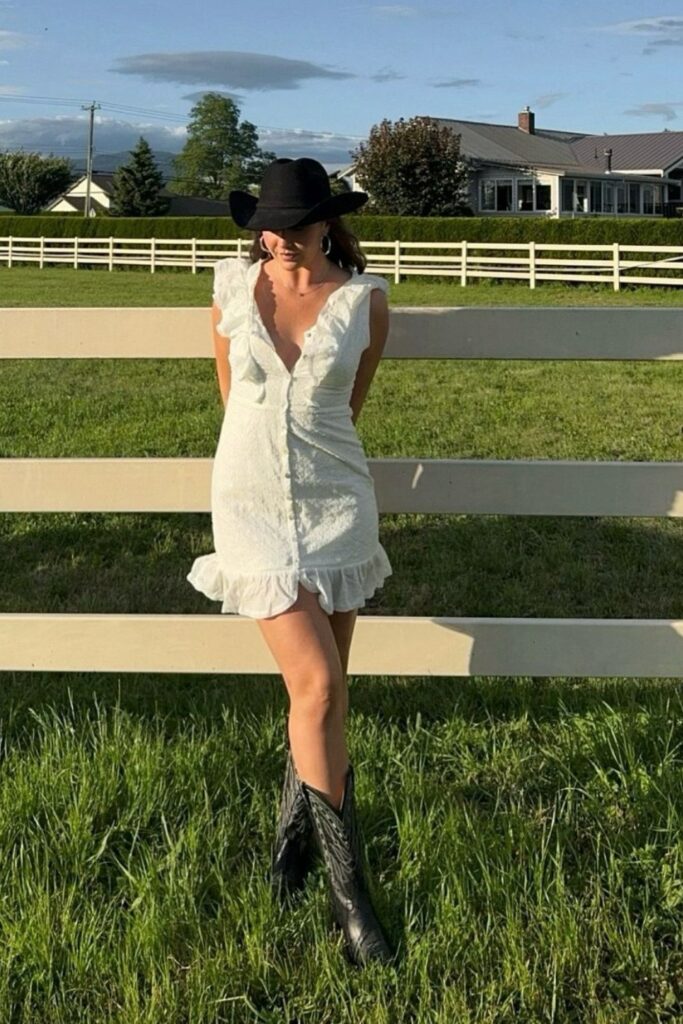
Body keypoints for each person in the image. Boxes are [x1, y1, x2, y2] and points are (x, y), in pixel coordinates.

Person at [186, 157, 395, 967]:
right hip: (249, 508)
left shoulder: (362, 304)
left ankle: (289, 852)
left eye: (294, 234)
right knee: (317, 686)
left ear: (326, 227)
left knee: (322, 701)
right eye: (266, 234)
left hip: (337, 504)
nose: (279, 247)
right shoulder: (232, 292)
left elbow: (347, 407)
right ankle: (354, 907)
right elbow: (230, 395)